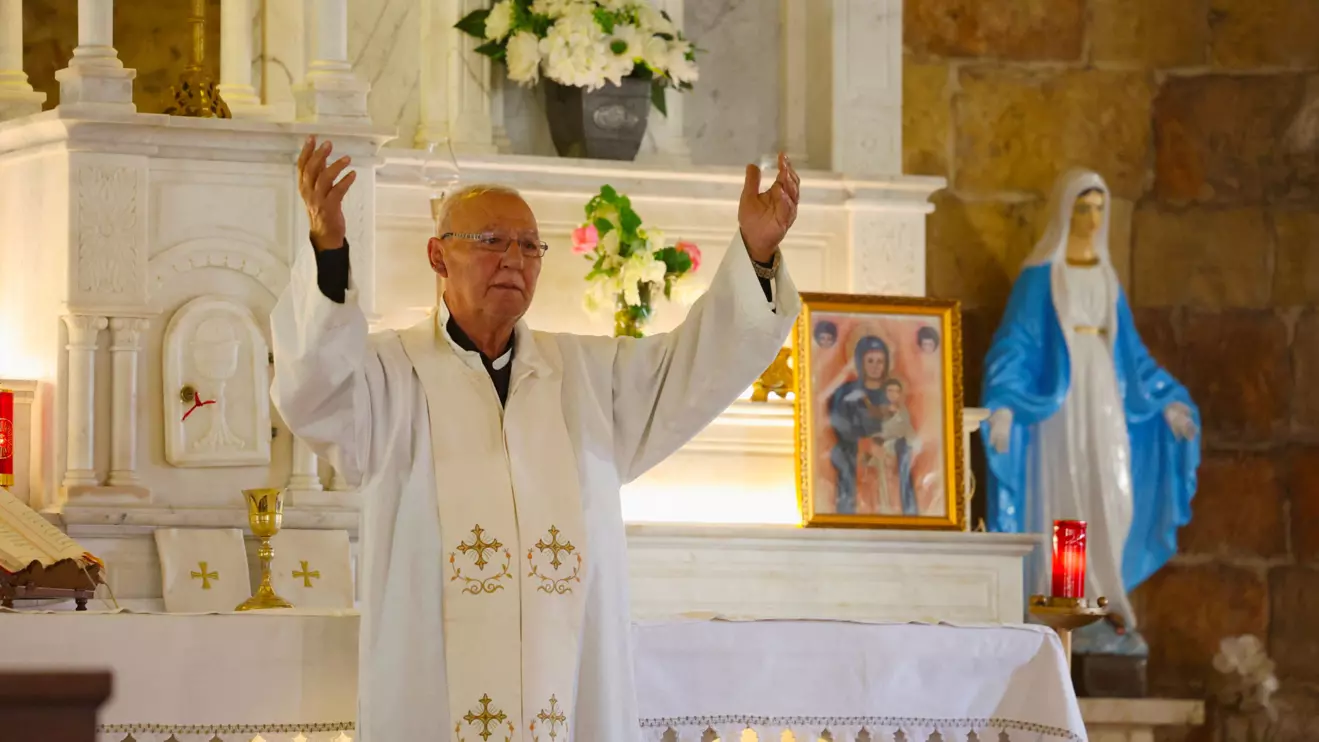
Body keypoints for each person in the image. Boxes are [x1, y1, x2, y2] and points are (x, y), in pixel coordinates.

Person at [270, 136, 802, 741]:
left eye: (529, 246)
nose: (514, 260)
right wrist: (328, 248)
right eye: (491, 242)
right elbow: (311, 391)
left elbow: (692, 368)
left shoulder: (585, 377)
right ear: (438, 257)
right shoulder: (391, 376)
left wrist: (756, 254)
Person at [981, 168, 1200, 654]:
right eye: (1083, 207)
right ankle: (1066, 602)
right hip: (1059, 407)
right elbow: (1015, 345)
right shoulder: (1041, 276)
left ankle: (1104, 596)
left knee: (1110, 492)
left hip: (1104, 397)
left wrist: (1168, 404)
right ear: (1065, 212)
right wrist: (1004, 406)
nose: (1092, 217)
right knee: (1068, 495)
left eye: (1100, 207)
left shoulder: (1106, 275)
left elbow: (1133, 357)